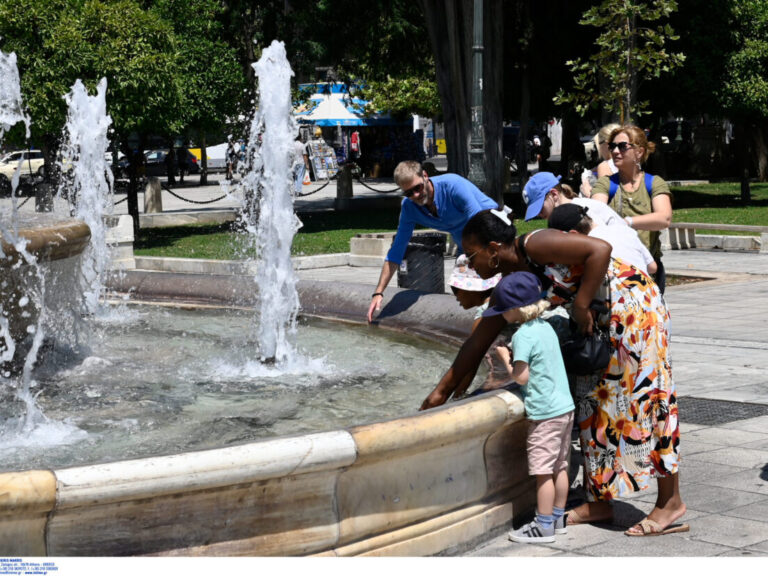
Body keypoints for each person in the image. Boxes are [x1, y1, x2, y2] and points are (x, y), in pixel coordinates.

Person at [421, 209, 687, 537]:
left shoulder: (534, 244)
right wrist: (441, 392)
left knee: (651, 400)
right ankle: (600, 500)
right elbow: (479, 341)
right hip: (604, 320)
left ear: (493, 249)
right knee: (595, 407)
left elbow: (599, 250)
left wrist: (580, 304)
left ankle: (670, 501)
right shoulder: (511, 282)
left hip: (635, 309)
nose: (469, 262)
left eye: (471, 254)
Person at [478, 272, 574, 543]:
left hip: (544, 413)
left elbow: (521, 377)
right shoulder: (545, 327)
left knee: (543, 472)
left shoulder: (522, 336)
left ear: (515, 309)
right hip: (565, 407)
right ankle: (558, 518)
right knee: (561, 466)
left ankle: (543, 527)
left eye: (504, 310)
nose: (502, 315)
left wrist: (505, 357)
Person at [366, 160, 498, 323]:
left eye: (417, 187)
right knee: (460, 290)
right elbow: (397, 250)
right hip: (465, 244)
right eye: (408, 193)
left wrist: (477, 264)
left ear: (425, 176)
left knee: (488, 289)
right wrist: (378, 292)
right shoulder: (409, 207)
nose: (415, 195)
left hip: (492, 235)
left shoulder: (452, 185)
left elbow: (479, 223)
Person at [590, 125, 673, 293]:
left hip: (648, 271)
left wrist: (628, 222)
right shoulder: (605, 184)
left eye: (622, 146)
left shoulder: (654, 183)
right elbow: (594, 215)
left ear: (639, 152)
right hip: (614, 272)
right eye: (612, 146)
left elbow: (664, 218)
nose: (615, 151)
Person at [548, 203, 657, 275]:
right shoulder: (624, 230)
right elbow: (652, 267)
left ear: (573, 235)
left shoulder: (588, 246)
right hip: (653, 304)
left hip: (622, 307)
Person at [522, 171, 627, 228]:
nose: (538, 214)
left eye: (539, 207)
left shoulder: (586, 210)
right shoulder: (558, 221)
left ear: (554, 195)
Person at [581, 123, 620, 197]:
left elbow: (604, 202)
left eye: (598, 144)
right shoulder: (634, 162)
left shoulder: (605, 166)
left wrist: (587, 192)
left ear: (606, 144)